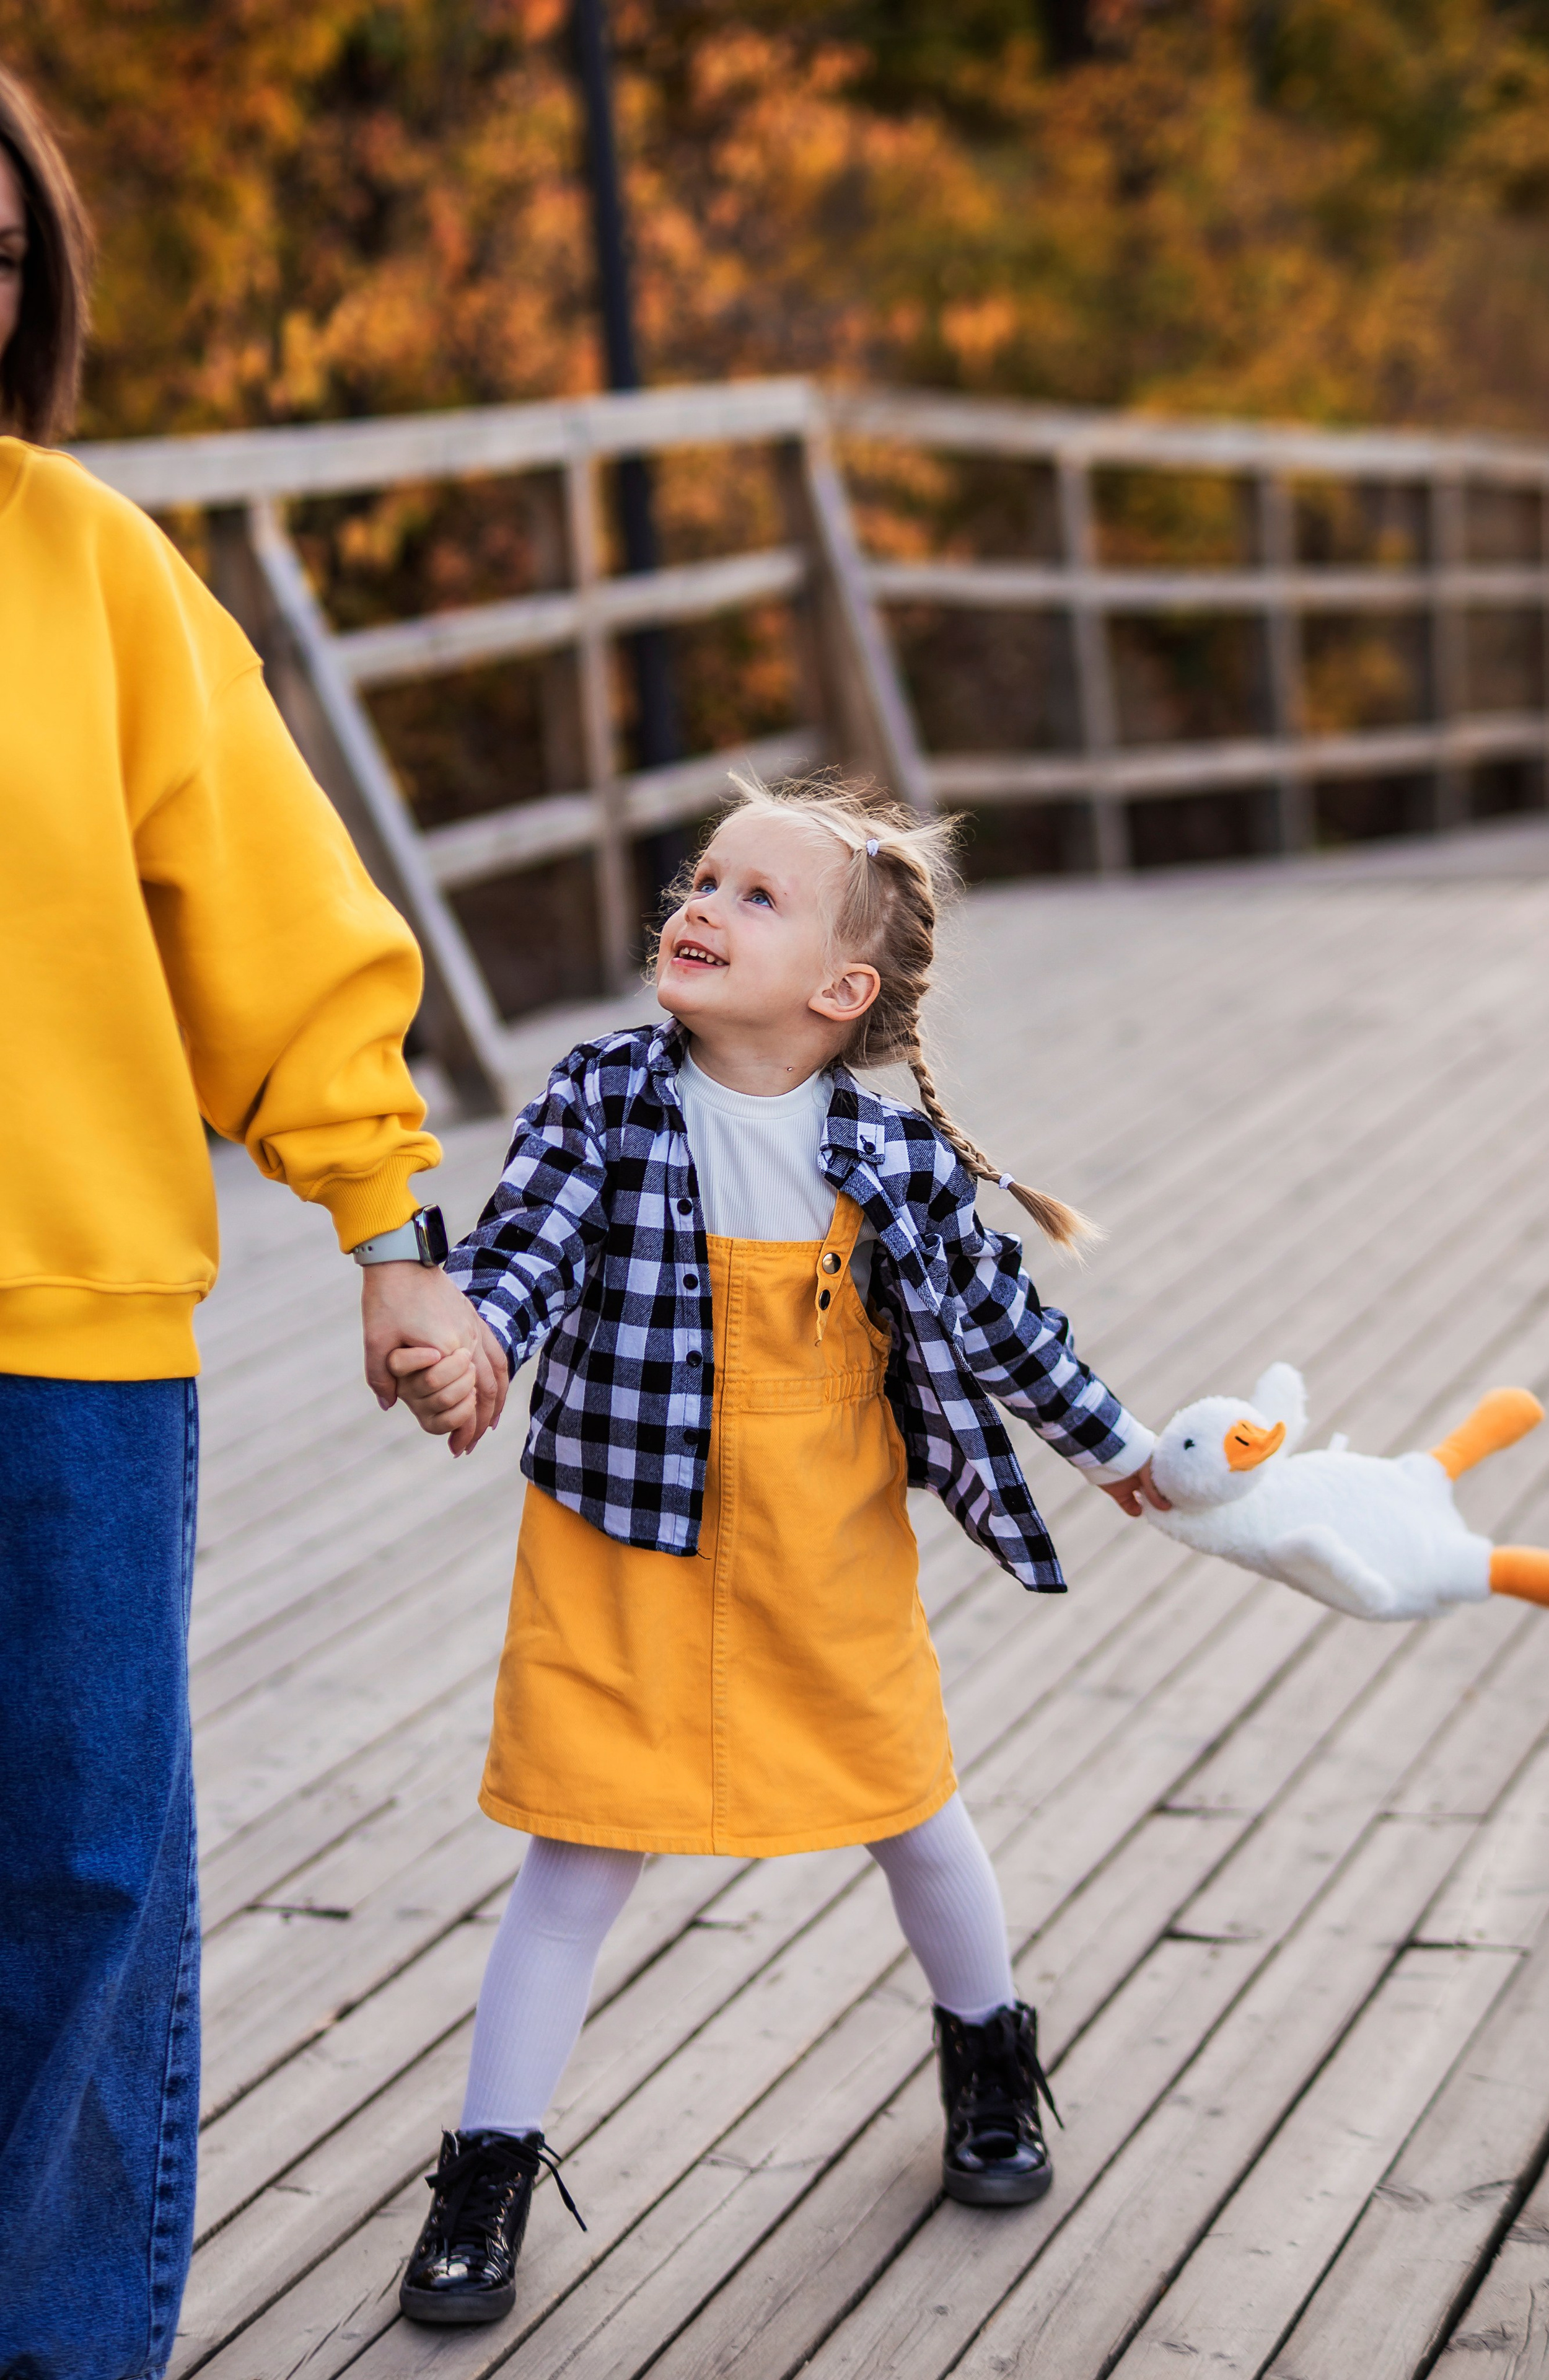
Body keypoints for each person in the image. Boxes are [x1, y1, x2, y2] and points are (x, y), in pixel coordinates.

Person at [388, 772, 1165, 2327]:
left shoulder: (889, 1159)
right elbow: (521, 1255)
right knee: (576, 1849)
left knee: (910, 1810)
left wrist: (1125, 1450)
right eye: (699, 878)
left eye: (753, 895)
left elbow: (1006, 1325)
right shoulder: (605, 1097)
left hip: (825, 1551)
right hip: (622, 1544)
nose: (699, 905)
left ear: (839, 989)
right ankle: (487, 2168)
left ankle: (990, 2060)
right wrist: (465, 1338)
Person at [0, 66, 502, 2380]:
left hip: (68, 1334)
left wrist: (395, 1224)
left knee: (79, 1873)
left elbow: (284, 927)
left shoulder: (87, 566)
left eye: (3, 246)